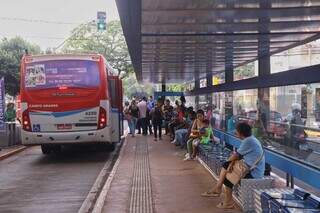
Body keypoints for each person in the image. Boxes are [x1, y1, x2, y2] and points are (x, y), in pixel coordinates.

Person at [201, 122, 265, 209]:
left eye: (237, 131)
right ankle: (219, 189)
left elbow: (235, 156)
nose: (236, 133)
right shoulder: (251, 139)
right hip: (250, 168)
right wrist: (230, 164)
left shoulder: (248, 141)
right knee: (227, 166)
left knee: (227, 177)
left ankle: (224, 197)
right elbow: (238, 156)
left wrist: (229, 163)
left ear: (241, 133)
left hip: (254, 173)